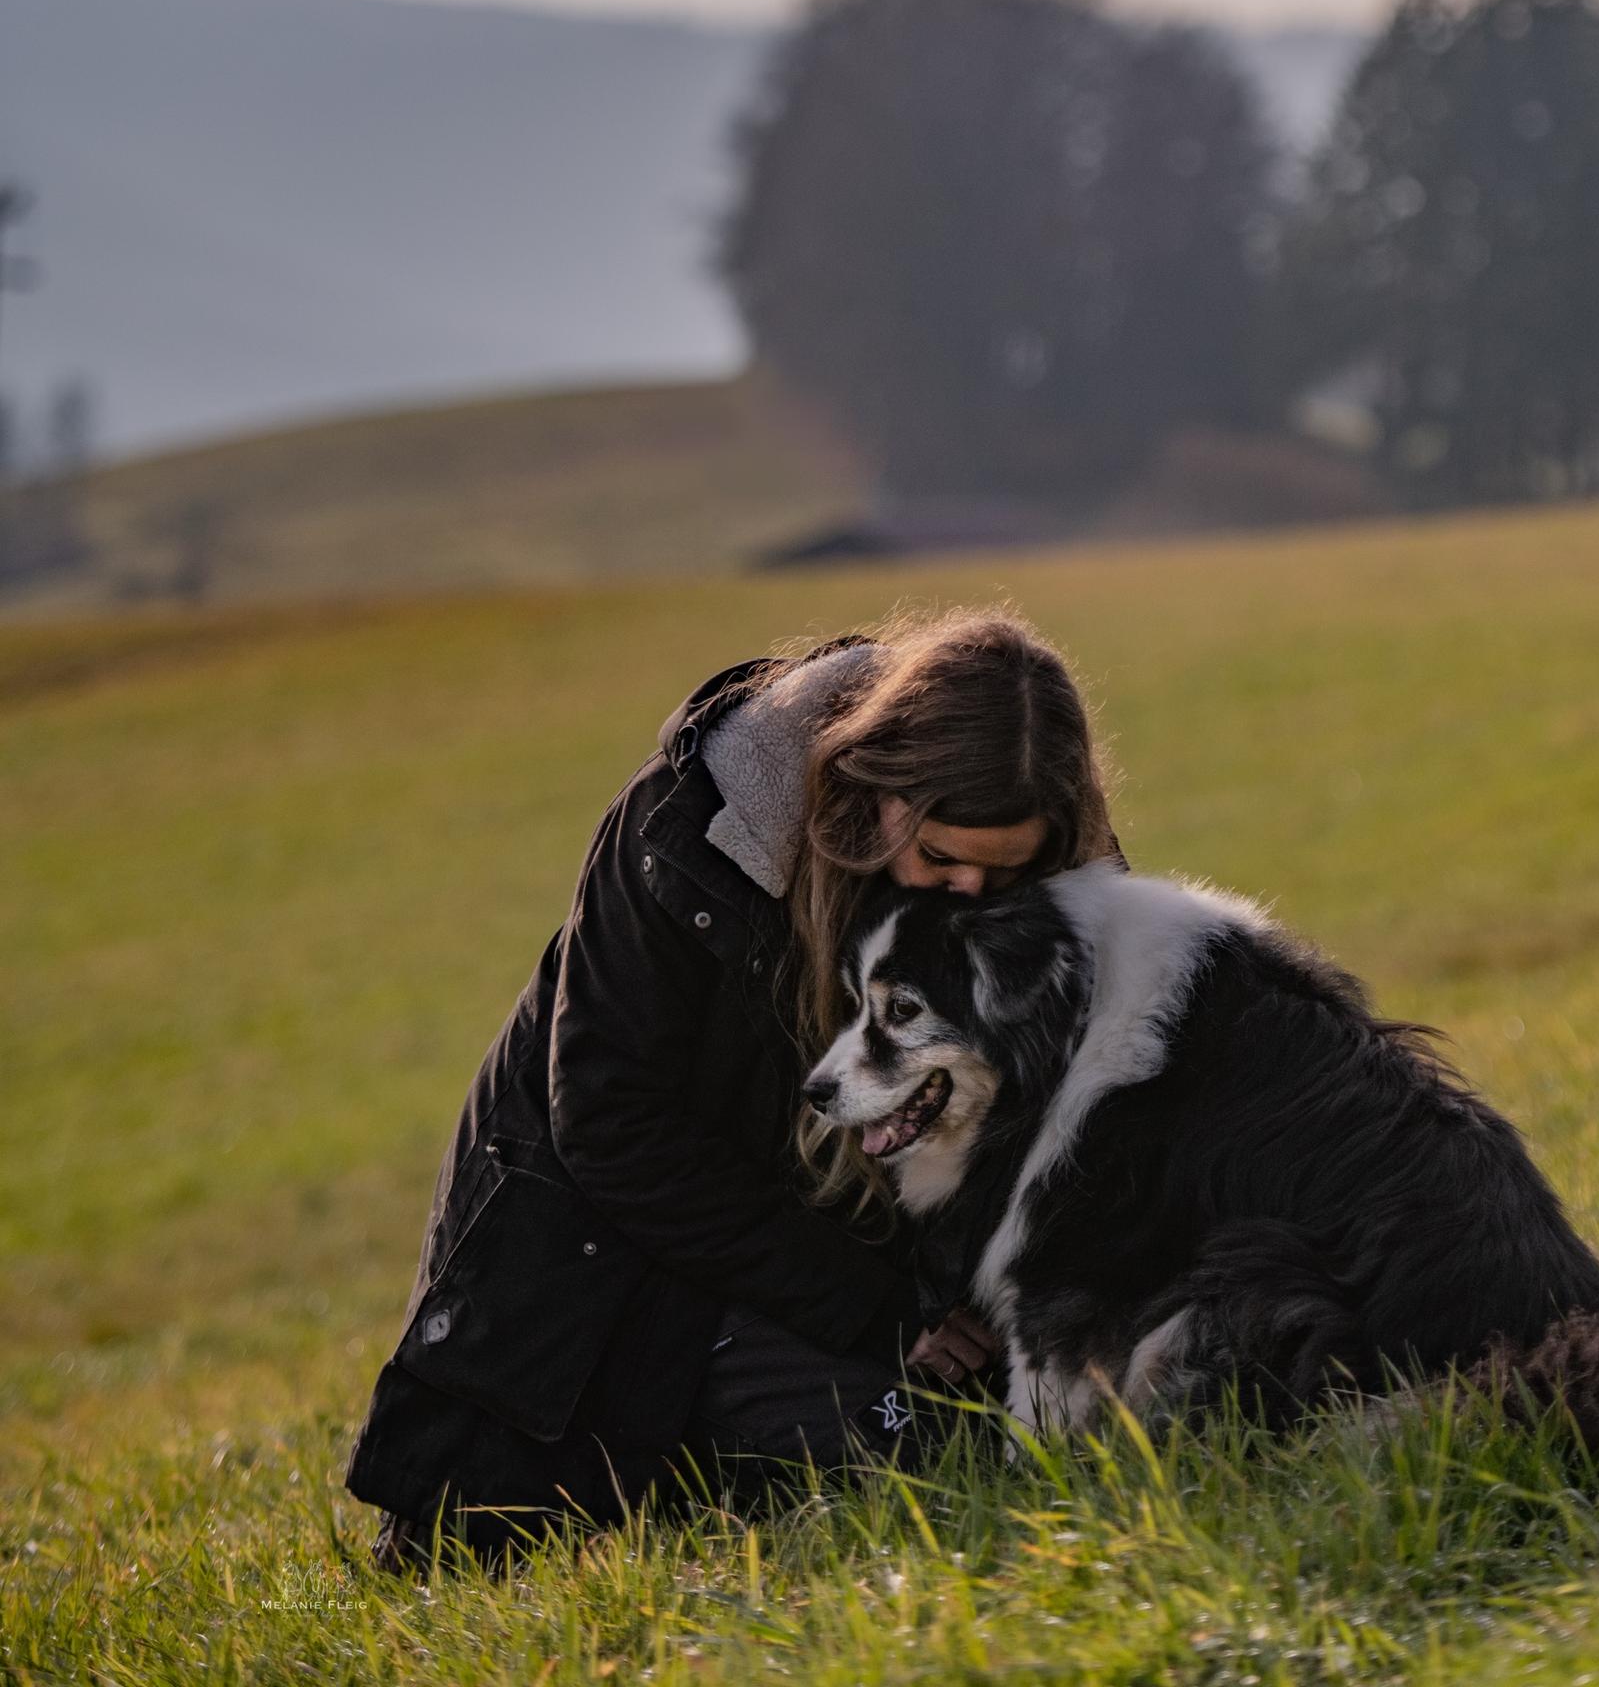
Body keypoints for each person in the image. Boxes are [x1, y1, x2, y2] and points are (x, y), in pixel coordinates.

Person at [346, 606, 1116, 1563]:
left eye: (1004, 876)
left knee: (1049, 1441)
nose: (966, 898)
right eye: (941, 859)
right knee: (937, 1462)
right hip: (622, 1267)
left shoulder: (1062, 887)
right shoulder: (698, 833)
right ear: (871, 796)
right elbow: (610, 1127)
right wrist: (882, 1315)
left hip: (853, 1263)